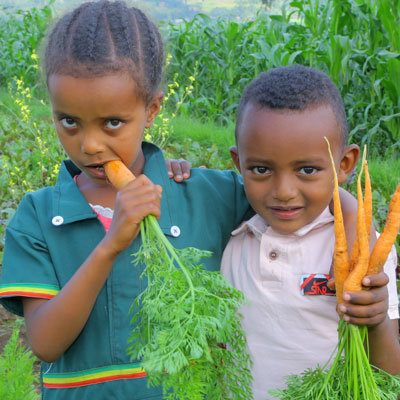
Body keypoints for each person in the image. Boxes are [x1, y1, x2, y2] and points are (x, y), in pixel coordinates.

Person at [0, 2, 255, 399]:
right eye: (68, 121)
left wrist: (345, 206)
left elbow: (293, 198)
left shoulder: (205, 194)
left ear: (151, 109)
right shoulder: (37, 216)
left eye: (112, 123)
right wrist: (111, 243)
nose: (89, 145)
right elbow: (46, 344)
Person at [220, 65, 400, 399]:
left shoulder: (366, 251)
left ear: (344, 165)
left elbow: (390, 378)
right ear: (238, 162)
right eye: (261, 169)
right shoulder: (231, 234)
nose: (284, 191)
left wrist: (376, 324)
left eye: (307, 170)